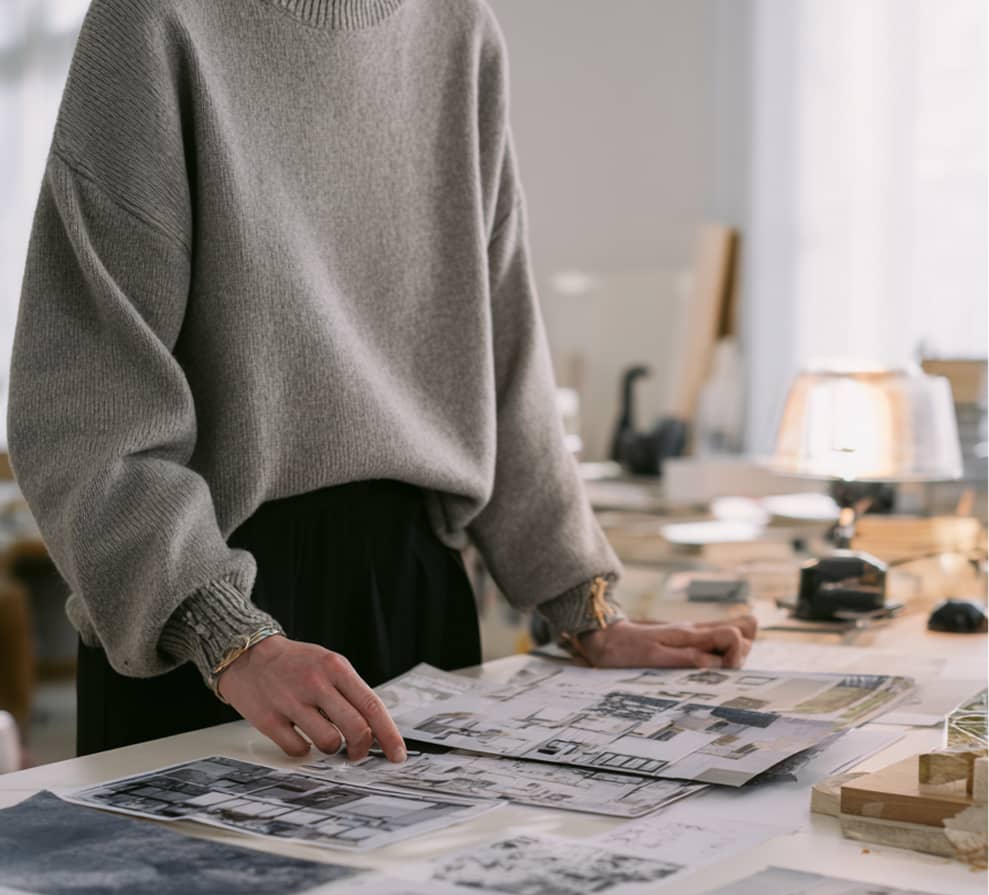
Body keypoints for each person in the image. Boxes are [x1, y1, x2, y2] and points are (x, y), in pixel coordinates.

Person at [8, 0, 755, 764]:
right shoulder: (154, 19)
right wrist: (229, 636)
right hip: (203, 614)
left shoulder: (459, 29)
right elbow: (82, 411)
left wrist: (585, 609)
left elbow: (501, 351)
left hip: (416, 592)